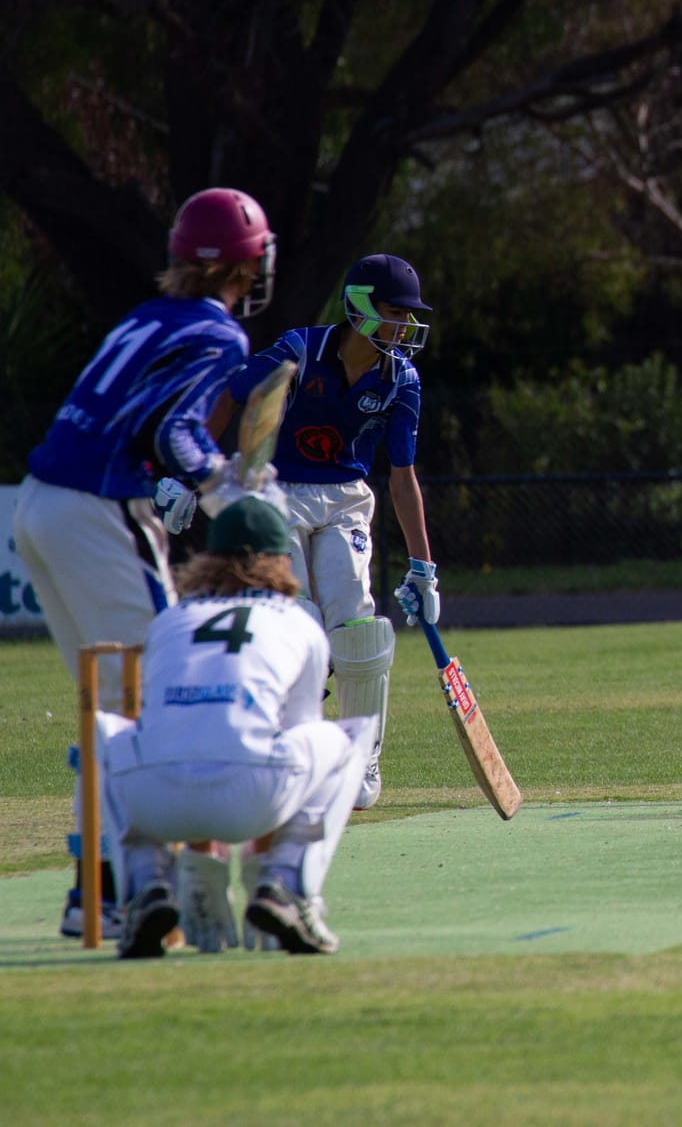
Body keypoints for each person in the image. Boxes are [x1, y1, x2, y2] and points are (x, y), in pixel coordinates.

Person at [14, 186, 277, 939]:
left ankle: (93, 891)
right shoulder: (221, 335)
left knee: (114, 707)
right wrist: (231, 490)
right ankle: (137, 886)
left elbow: (142, 426)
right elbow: (174, 433)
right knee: (162, 690)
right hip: (96, 510)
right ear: (243, 265)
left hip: (40, 504)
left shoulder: (144, 315)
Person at [184, 253, 438, 813]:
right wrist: (192, 471)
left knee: (357, 624)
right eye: (395, 312)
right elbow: (235, 394)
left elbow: (403, 478)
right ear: (360, 306)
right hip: (280, 494)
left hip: (348, 499)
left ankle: (360, 755)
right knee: (296, 624)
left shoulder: (402, 378)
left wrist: (423, 568)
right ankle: (293, 752)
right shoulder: (300, 349)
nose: (404, 326)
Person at [88, 496, 374, 957]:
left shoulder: (170, 620)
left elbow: (182, 727)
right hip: (255, 795)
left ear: (209, 557)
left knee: (107, 732)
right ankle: (284, 885)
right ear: (282, 560)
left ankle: (145, 887)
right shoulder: (299, 625)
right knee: (349, 737)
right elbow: (291, 739)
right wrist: (257, 861)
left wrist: (205, 861)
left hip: (154, 801)